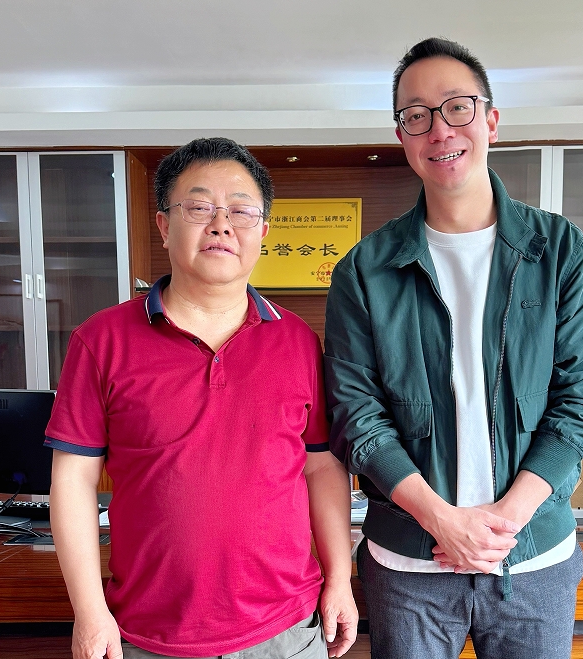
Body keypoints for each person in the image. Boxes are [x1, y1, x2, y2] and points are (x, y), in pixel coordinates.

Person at [324, 38, 583, 659]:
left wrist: (503, 520)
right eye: (417, 116)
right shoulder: (364, 269)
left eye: (457, 107)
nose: (440, 130)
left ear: (490, 120)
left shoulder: (559, 250)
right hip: (408, 565)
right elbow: (357, 416)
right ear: (402, 136)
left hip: (533, 559)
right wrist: (441, 520)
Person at [48, 137, 357, 659]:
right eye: (198, 207)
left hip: (284, 631)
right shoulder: (101, 341)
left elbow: (321, 467)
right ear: (164, 225)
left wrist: (340, 579)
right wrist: (90, 611)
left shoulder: (298, 341)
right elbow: (73, 479)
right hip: (147, 635)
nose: (221, 225)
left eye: (241, 210)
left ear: (262, 230)